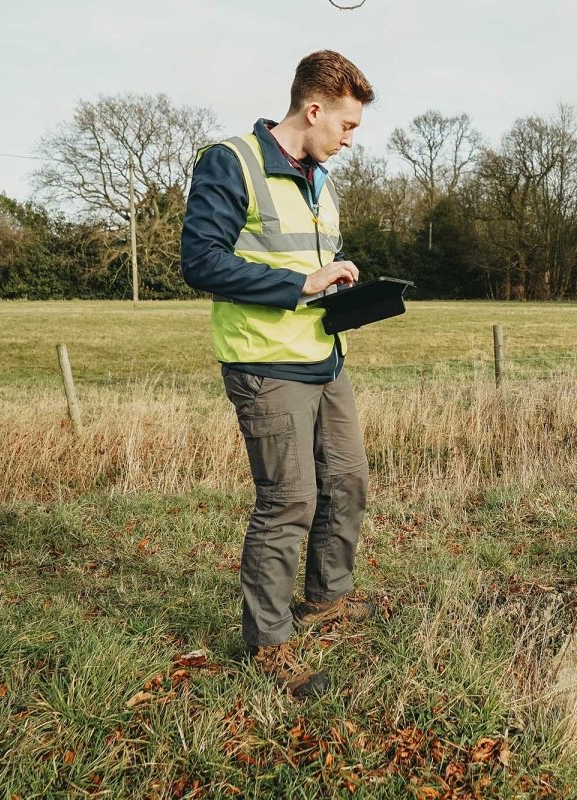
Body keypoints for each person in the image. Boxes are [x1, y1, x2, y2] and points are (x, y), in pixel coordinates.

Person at [181, 51, 375, 698]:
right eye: (346, 126)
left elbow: (317, 257)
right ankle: (267, 645)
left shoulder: (322, 178)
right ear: (313, 109)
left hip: (324, 355)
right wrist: (300, 284)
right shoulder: (229, 162)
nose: (352, 139)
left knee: (346, 481)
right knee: (288, 499)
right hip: (265, 363)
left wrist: (342, 278)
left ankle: (325, 599)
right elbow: (201, 262)